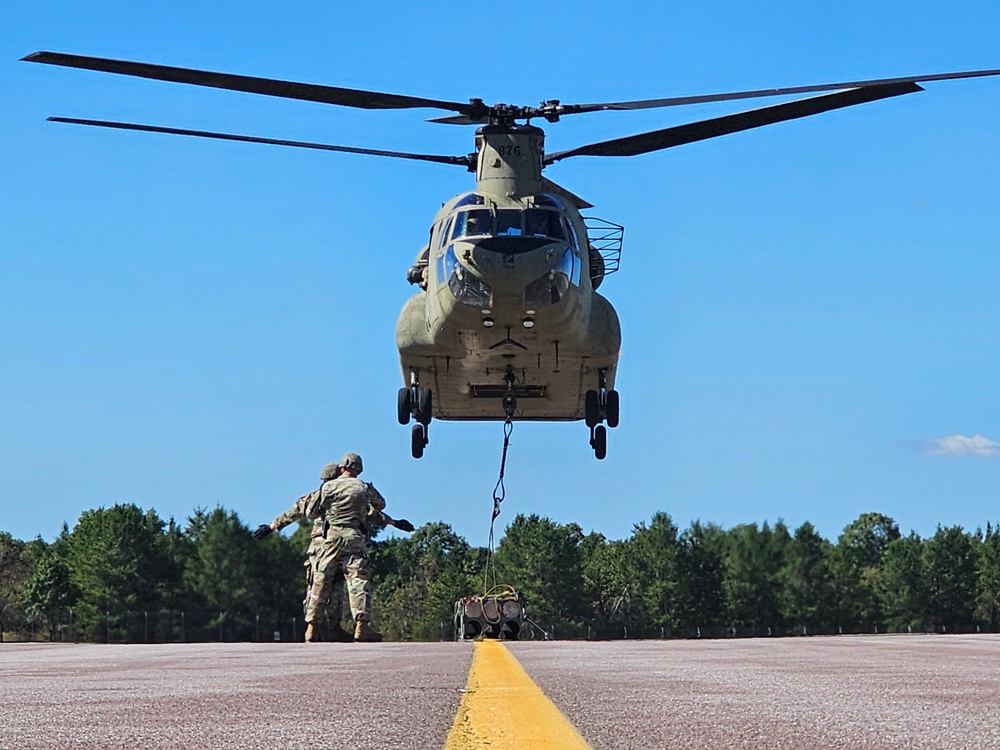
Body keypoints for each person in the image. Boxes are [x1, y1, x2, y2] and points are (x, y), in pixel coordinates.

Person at [253, 453, 413, 642]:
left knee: (320, 583)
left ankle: (313, 628)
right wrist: (394, 523)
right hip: (353, 538)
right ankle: (361, 626)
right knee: (357, 581)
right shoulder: (363, 488)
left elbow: (303, 511)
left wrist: (272, 527)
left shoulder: (325, 491)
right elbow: (376, 509)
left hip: (329, 542)